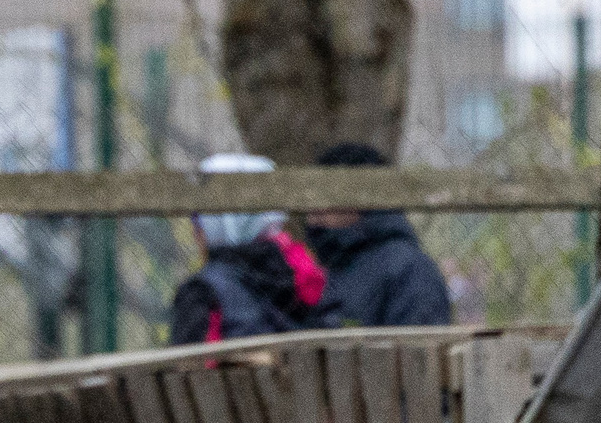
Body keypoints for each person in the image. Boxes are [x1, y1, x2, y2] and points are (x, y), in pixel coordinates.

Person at [167, 153, 334, 345]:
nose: (195, 228)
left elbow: (189, 369)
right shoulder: (307, 275)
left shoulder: (202, 292)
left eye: (197, 217)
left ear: (214, 221)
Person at [304, 142, 452, 327]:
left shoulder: (408, 270)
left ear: (358, 198)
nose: (312, 215)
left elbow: (419, 350)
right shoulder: (335, 264)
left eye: (323, 198)